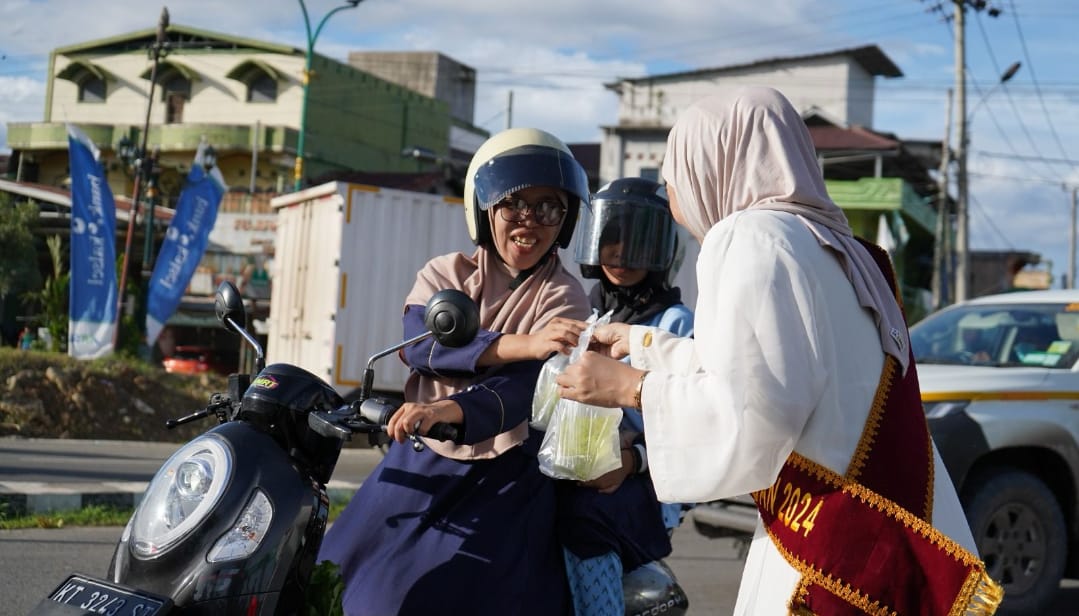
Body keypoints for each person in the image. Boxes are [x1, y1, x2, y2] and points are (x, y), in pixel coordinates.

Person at [555, 87, 1003, 615]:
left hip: (825, 562)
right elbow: (775, 374)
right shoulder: (841, 248)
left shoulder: (749, 236)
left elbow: (752, 417)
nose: (675, 201)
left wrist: (629, 387)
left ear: (714, 164)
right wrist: (646, 344)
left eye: (675, 177)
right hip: (891, 530)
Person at [318, 127, 593, 615]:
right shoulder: (446, 273)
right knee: (332, 569)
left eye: (548, 207)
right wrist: (518, 343)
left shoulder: (564, 296)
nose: (529, 220)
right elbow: (420, 343)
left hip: (504, 468)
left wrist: (450, 407)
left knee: (432, 597)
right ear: (484, 209)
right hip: (422, 449)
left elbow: (527, 388)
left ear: (565, 220)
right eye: (513, 204)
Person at [558, 177, 694, 615]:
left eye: (637, 240)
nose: (619, 252)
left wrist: (632, 460)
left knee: (583, 520)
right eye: (610, 237)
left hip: (649, 482)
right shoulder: (589, 312)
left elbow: (699, 421)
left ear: (662, 251)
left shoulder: (676, 325)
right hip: (583, 464)